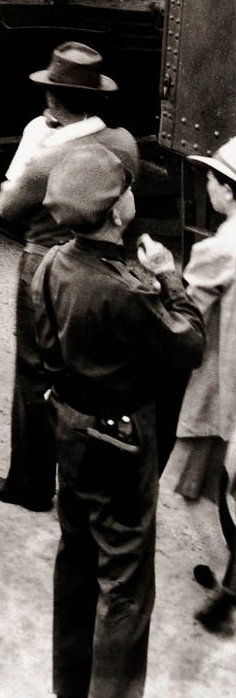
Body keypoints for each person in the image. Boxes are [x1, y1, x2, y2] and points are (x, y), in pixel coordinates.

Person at [34, 146, 205, 698]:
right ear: (115, 212)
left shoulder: (52, 263)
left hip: (68, 425)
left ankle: (70, 687)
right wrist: (168, 277)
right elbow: (189, 343)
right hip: (120, 440)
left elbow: (47, 349)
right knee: (125, 586)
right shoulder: (126, 289)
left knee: (77, 561)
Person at [0, 43, 139, 514]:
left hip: (46, 261)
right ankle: (86, 474)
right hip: (107, 263)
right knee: (89, 367)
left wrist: (28, 161)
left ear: (53, 99)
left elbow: (7, 208)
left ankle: (30, 483)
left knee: (35, 371)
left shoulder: (45, 154)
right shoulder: (124, 143)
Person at [172, 137, 236, 635]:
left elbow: (183, 318)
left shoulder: (219, 249)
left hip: (220, 386)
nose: (207, 184)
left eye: (213, 178)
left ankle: (226, 583)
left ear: (230, 191)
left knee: (193, 487)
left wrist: (159, 275)